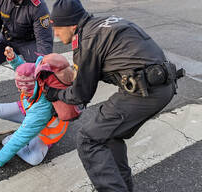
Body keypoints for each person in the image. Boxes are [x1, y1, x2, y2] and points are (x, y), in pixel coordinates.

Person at [44, 0, 183, 191]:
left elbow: (80, 95)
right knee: (108, 136)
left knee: (88, 139)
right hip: (161, 85)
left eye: (57, 28)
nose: (56, 34)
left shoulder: (87, 40)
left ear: (72, 25)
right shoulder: (104, 23)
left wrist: (56, 94)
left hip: (144, 92)